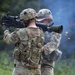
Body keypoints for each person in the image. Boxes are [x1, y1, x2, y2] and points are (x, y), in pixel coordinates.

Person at [3, 8, 44, 75]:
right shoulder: (41, 32)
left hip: (22, 70)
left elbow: (8, 40)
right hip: (36, 70)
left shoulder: (21, 32)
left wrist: (6, 30)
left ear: (26, 20)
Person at [36, 9, 62, 75]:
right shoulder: (35, 29)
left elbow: (53, 44)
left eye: (44, 20)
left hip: (47, 63)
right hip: (34, 62)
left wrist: (38, 50)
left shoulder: (56, 30)